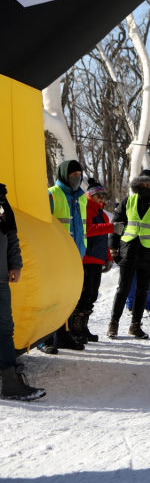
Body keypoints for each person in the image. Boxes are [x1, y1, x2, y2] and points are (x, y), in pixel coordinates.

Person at [108, 169, 150, 340]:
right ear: (138, 183)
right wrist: (113, 249)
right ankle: (113, 323)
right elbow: (116, 225)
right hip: (127, 250)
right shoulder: (128, 201)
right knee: (123, 289)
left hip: (148, 253)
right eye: (143, 182)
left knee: (142, 290)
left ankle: (135, 325)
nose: (146, 185)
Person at [1, 183, 45, 401]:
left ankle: (9, 382)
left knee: (5, 327)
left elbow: (11, 234)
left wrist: (15, 264)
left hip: (0, 277)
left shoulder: (1, 197)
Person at [43, 159, 89, 353]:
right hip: (55, 256)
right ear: (63, 175)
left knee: (68, 299)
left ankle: (63, 335)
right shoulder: (51, 195)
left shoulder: (82, 197)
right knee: (51, 299)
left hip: (76, 255)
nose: (76, 178)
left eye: (79, 175)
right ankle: (45, 339)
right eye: (72, 175)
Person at [71, 179, 114, 343]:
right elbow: (87, 230)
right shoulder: (86, 209)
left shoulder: (102, 214)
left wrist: (108, 258)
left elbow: (104, 238)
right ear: (90, 196)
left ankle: (83, 327)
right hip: (86, 258)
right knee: (84, 294)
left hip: (97, 259)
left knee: (92, 295)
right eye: (99, 196)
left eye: (104, 197)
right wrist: (110, 227)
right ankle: (75, 329)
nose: (102, 200)